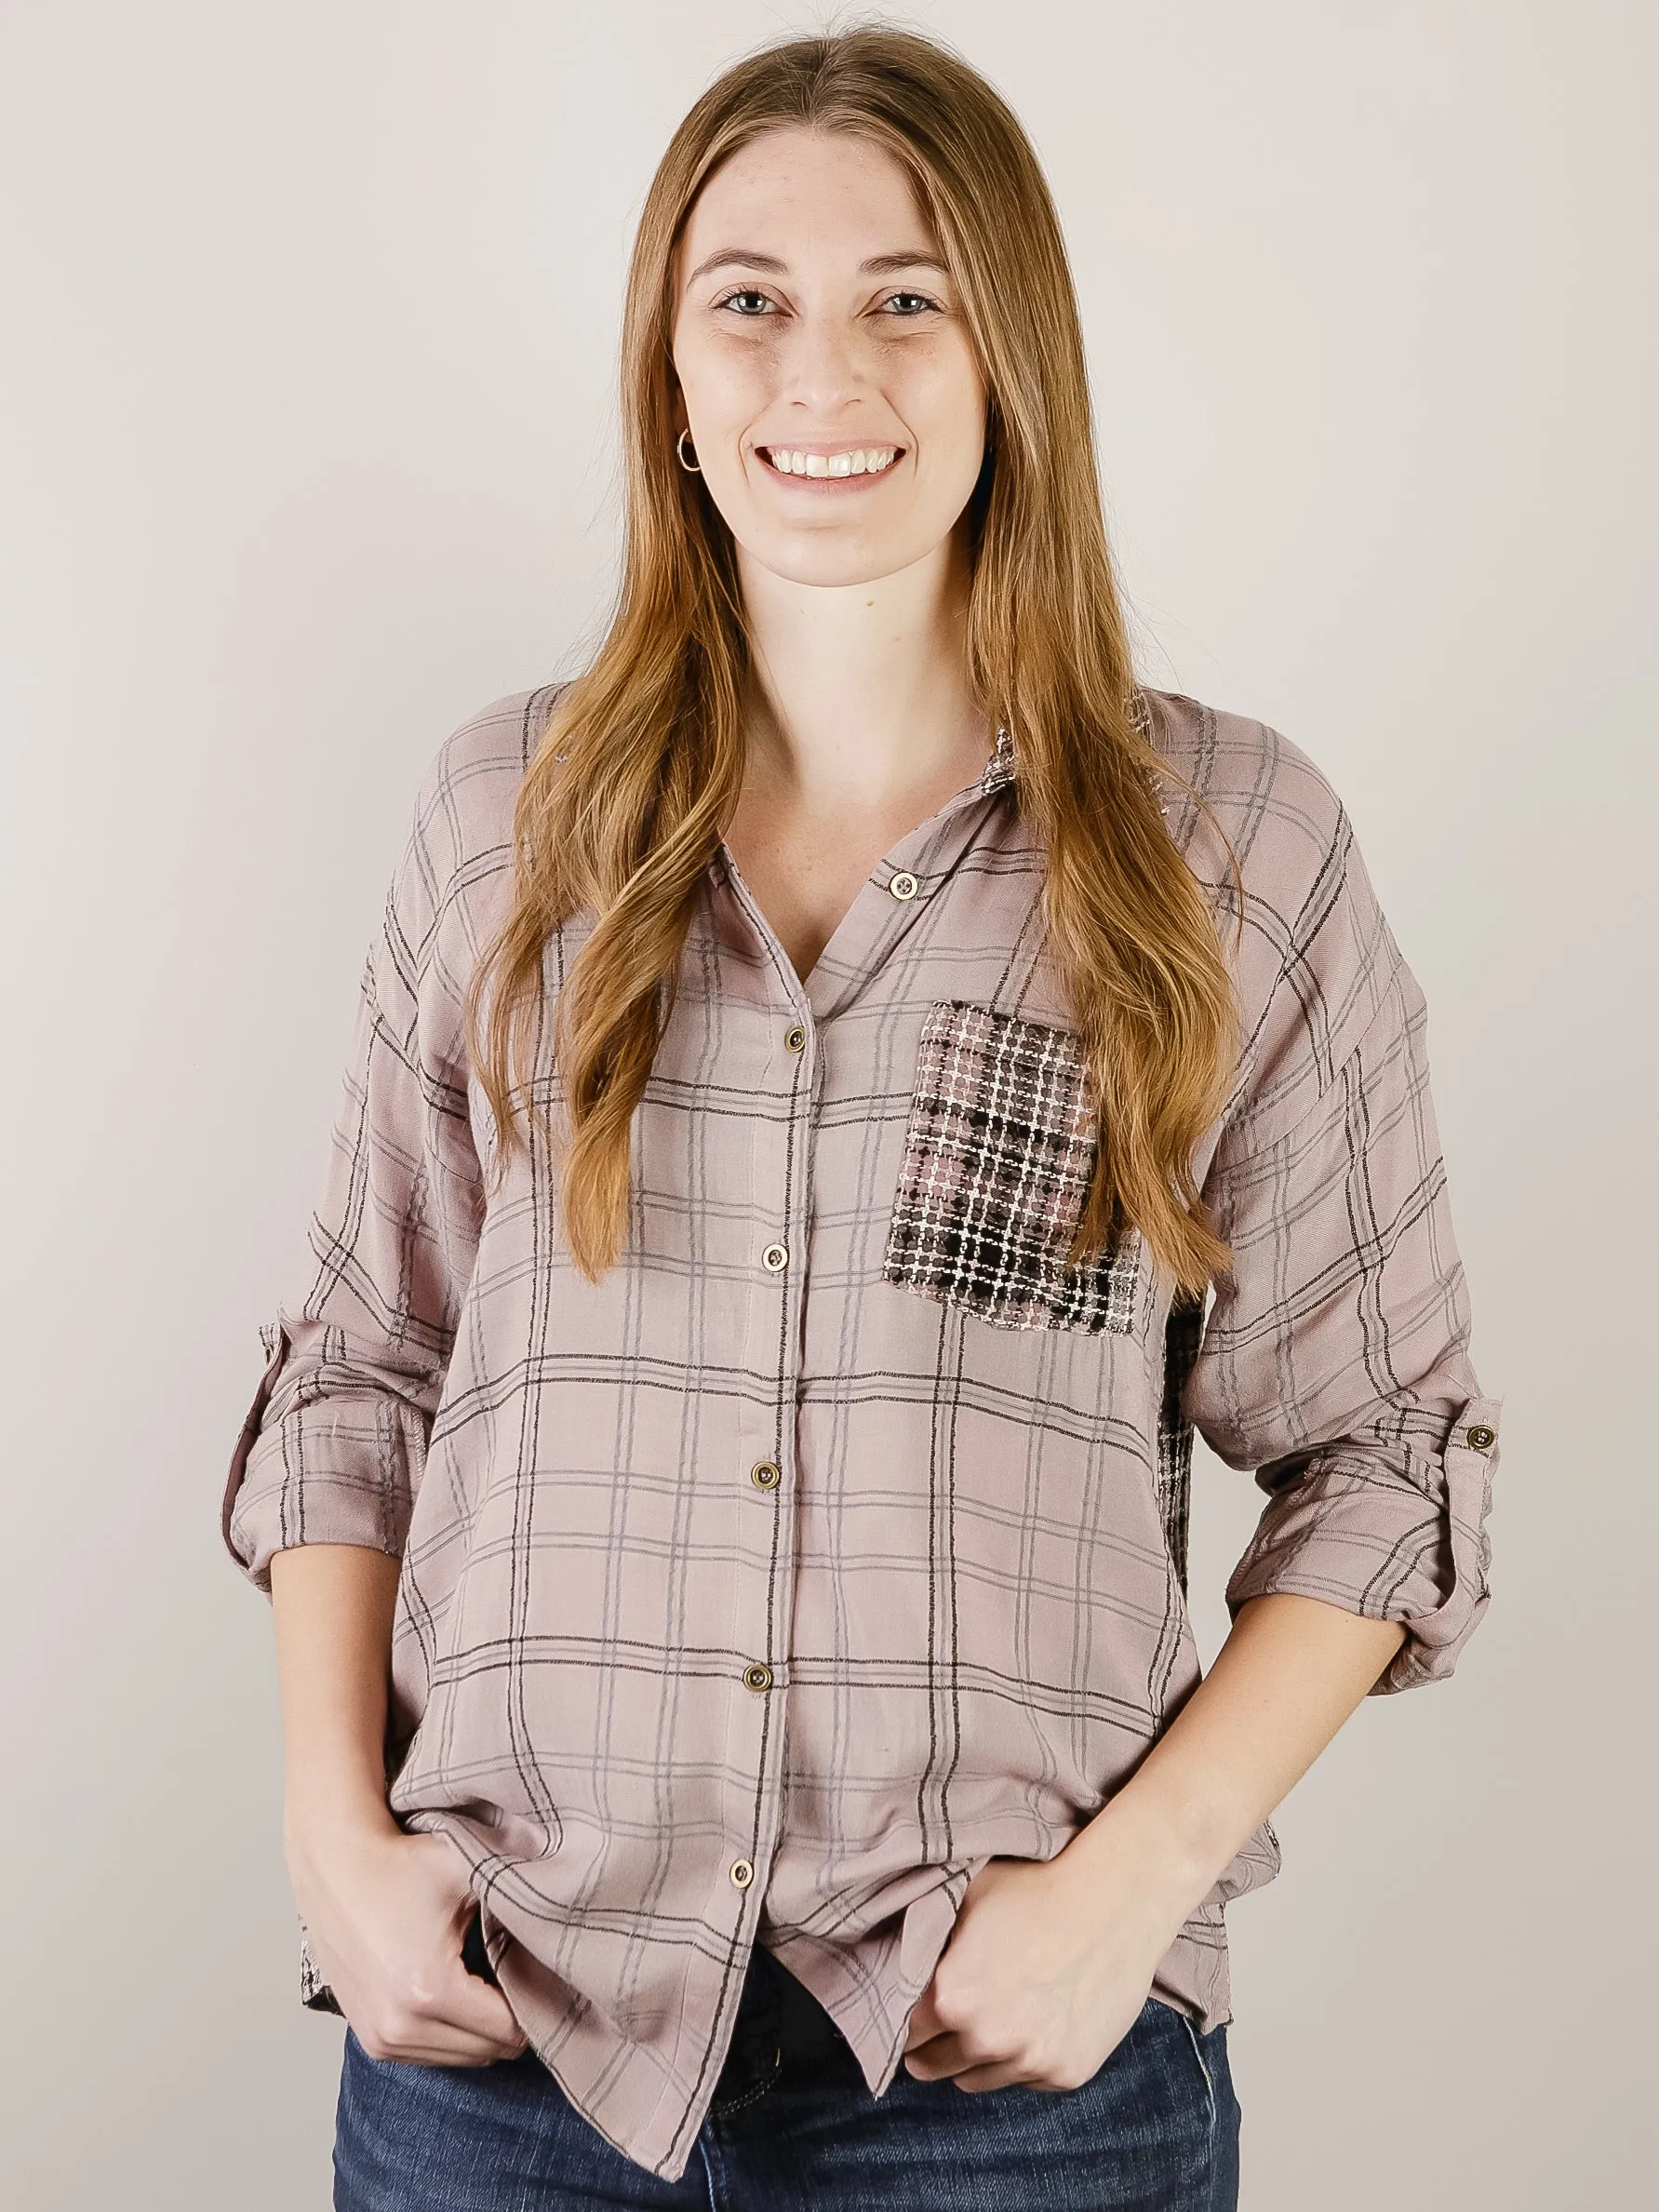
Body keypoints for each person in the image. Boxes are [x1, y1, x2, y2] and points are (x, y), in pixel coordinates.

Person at [221, 26, 1501, 2212]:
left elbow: (1386, 1456)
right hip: (506, 2048)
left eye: (908, 296)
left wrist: (1136, 1891)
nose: (829, 371)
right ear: (673, 370)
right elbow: (361, 1370)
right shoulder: (499, 821)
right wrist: (334, 1839)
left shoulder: (1232, 851)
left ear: (1012, 352)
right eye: (755, 300)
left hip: (1013, 2097)